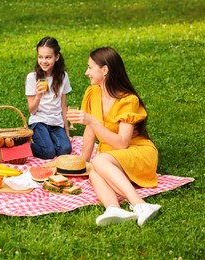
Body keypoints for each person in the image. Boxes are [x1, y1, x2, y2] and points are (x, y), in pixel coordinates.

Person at [67, 47, 161, 226]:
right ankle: (114, 209)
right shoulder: (92, 92)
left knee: (100, 161)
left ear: (104, 70)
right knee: (94, 170)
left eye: (90, 67)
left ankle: (141, 205)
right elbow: (89, 132)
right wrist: (82, 163)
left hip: (137, 152)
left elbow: (122, 143)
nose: (86, 72)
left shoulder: (128, 100)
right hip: (111, 157)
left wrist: (93, 122)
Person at [25, 36, 72, 159]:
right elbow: (32, 110)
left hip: (56, 123)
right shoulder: (32, 77)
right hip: (38, 121)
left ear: (56, 57)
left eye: (48, 57)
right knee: (48, 153)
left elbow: (63, 105)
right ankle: (23, 144)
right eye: (40, 57)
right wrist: (38, 96)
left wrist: (66, 131)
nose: (44, 61)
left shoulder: (63, 76)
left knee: (65, 150)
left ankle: (48, 140)